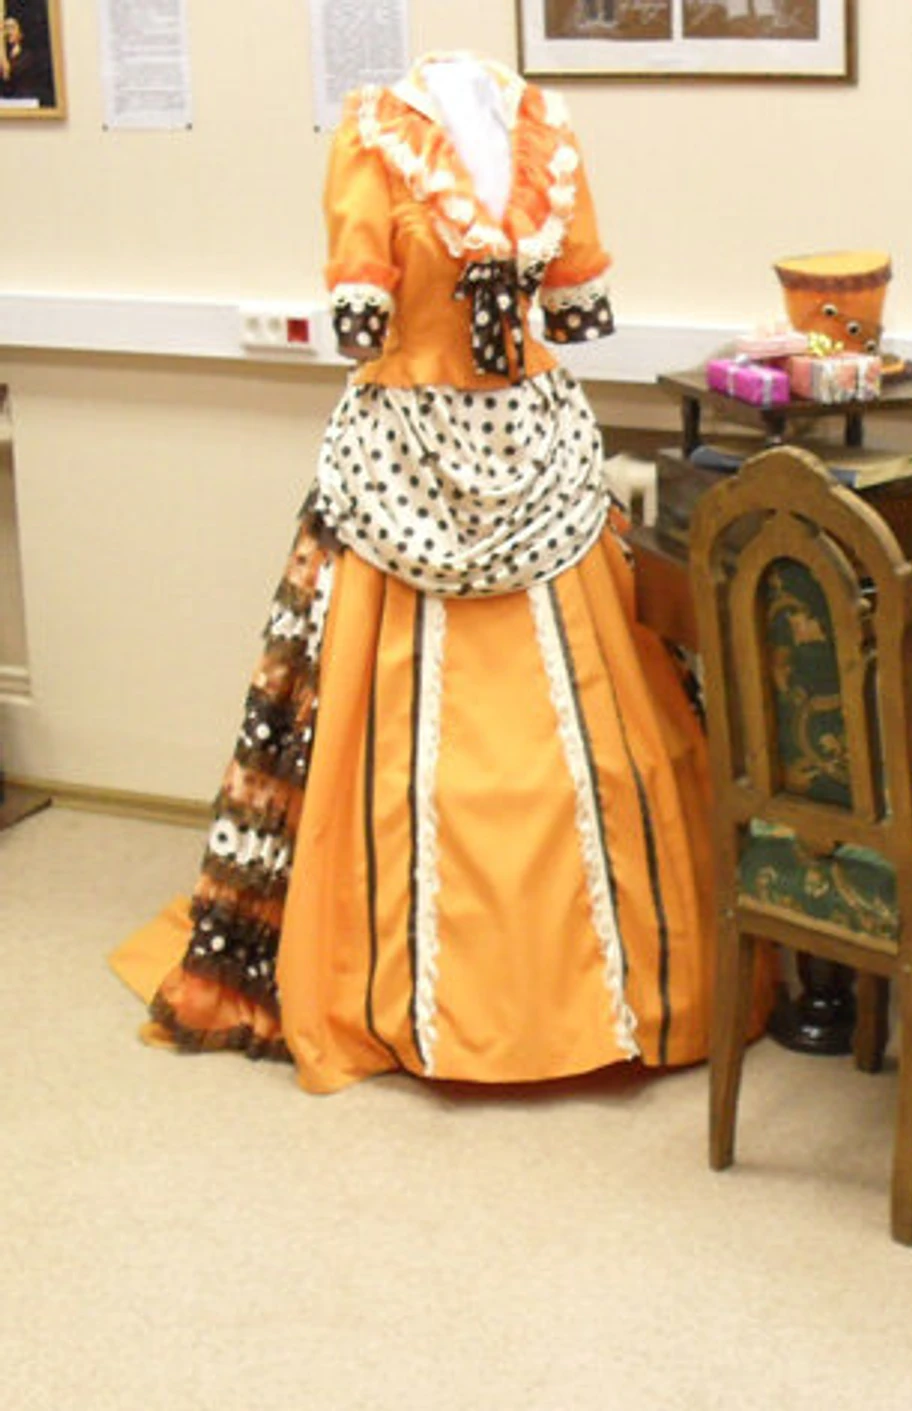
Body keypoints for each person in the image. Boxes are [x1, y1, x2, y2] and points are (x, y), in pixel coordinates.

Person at [112, 53, 764, 1093]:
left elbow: (574, 303)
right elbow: (361, 310)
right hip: (402, 455)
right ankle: (393, 990)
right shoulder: (374, 136)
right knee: (388, 751)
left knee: (605, 744)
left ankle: (606, 992)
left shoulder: (545, 130)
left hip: (535, 449)